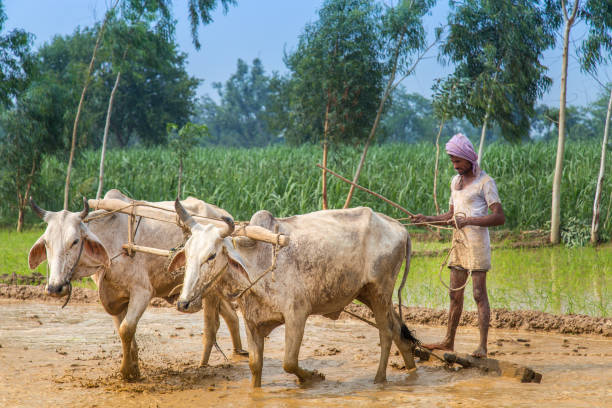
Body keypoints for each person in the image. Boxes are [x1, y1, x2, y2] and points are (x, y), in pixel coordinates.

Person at [411, 133, 505, 358]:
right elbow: (450, 216)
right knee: (455, 295)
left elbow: (499, 217)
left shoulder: (485, 182)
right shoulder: (456, 183)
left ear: (468, 159)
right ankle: (448, 341)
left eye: (457, 161)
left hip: (478, 244)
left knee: (479, 294)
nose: (455, 166)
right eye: (452, 162)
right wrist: (427, 219)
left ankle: (482, 346)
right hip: (459, 244)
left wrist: (469, 221)